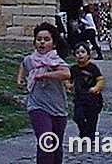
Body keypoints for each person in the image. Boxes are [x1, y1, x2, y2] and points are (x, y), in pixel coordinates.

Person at [17, 21, 71, 164]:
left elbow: (66, 74)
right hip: (37, 106)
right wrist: (20, 80)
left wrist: (45, 75)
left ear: (53, 44)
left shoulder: (56, 61)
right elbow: (23, 65)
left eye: (46, 40)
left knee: (56, 146)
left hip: (58, 108)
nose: (42, 43)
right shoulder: (31, 59)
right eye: (39, 39)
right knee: (46, 141)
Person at [68, 42, 104, 138]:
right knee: (78, 117)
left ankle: (90, 136)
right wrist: (69, 85)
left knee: (91, 118)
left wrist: (96, 88)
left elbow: (100, 79)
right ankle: (83, 130)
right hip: (79, 97)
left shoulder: (93, 68)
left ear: (88, 55)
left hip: (93, 98)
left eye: (83, 52)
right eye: (77, 52)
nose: (80, 54)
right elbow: (68, 79)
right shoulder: (73, 68)